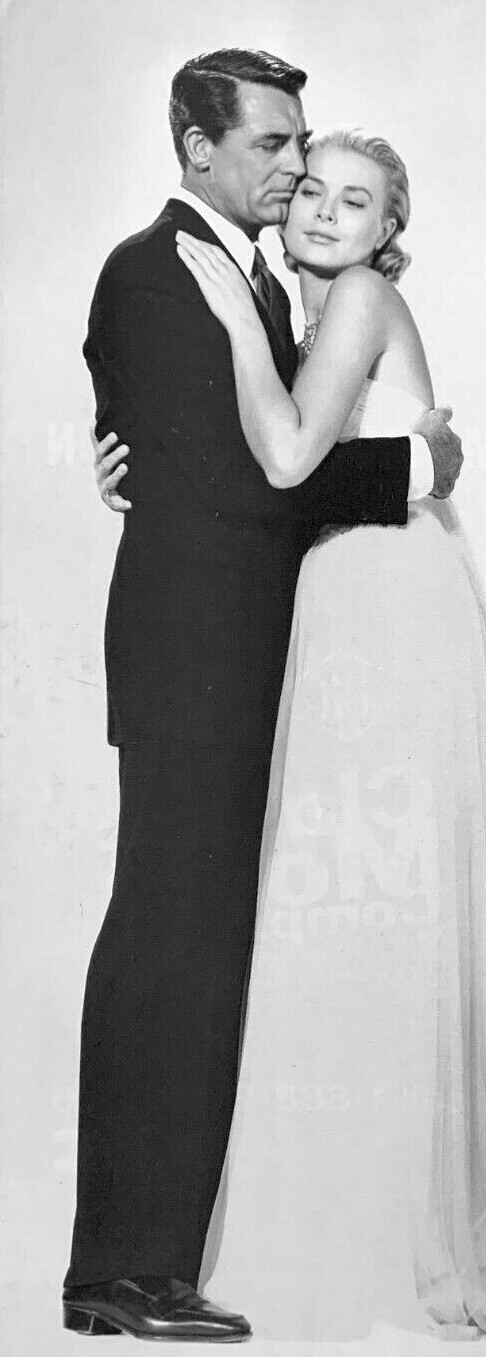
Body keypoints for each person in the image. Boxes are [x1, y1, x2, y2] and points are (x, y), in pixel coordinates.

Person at [65, 47, 463, 1343]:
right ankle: (122, 1273)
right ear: (198, 148)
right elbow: (249, 480)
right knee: (170, 942)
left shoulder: (262, 282)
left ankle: (168, 1262)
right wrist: (413, 470)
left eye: (306, 144)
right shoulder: (157, 268)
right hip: (194, 661)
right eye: (273, 145)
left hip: (254, 651)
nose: (295, 168)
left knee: (224, 942)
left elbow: (218, 456)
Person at [174, 131, 486, 1342]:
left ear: (386, 231)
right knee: (351, 900)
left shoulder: (354, 298)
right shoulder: (312, 323)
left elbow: (294, 452)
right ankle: (356, 1211)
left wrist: (234, 329)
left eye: (357, 201)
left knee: (370, 895)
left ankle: (380, 1231)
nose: (324, 212)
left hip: (387, 594)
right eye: (311, 188)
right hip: (353, 582)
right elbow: (270, 471)